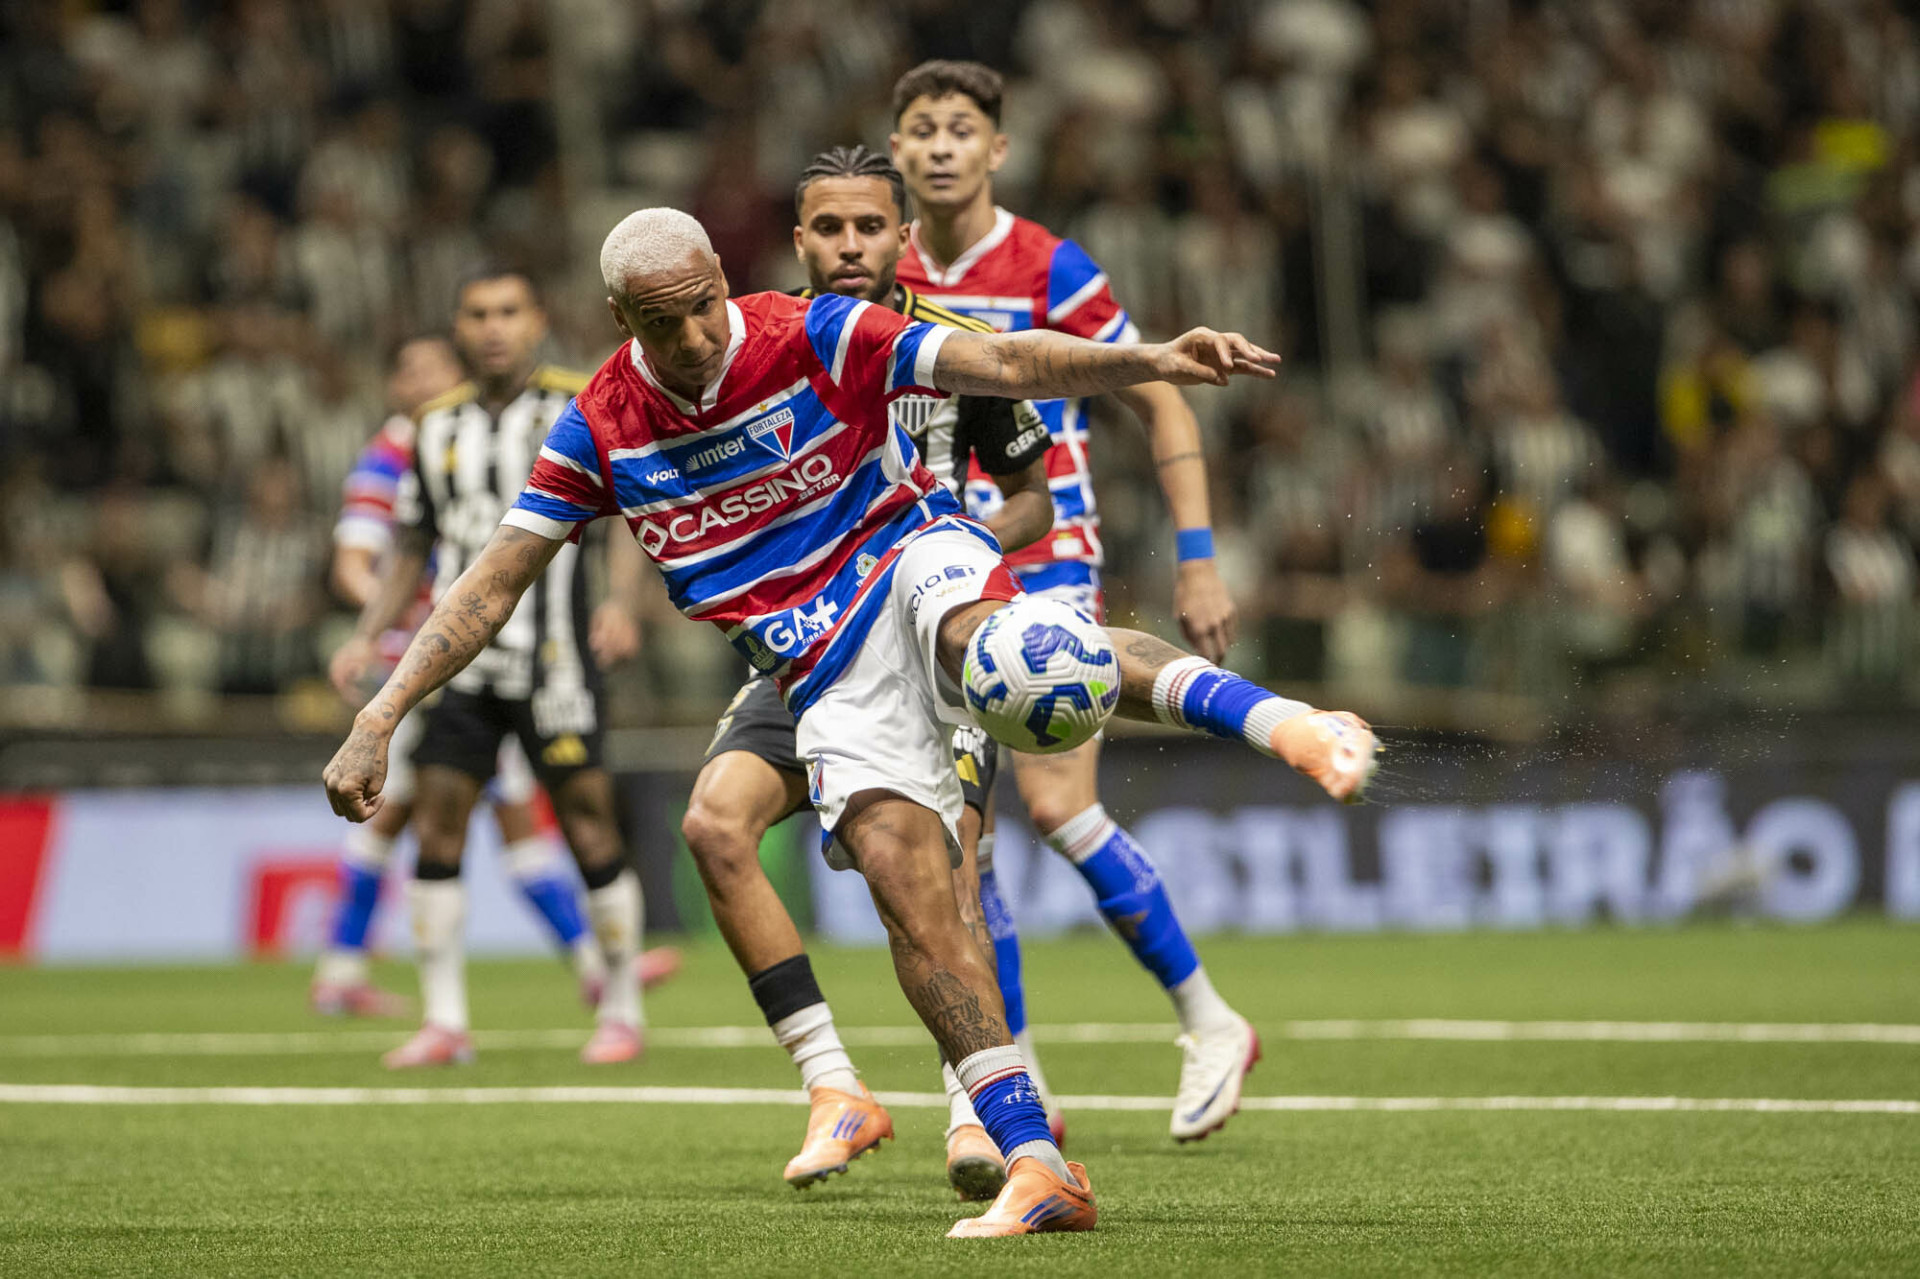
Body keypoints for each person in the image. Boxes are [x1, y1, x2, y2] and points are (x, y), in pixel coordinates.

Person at [322, 207, 1375, 1236]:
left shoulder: (812, 331)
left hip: (905, 562)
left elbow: (1003, 367)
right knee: (906, 892)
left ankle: (1286, 722)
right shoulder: (599, 423)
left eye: (701, 308)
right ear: (617, 317)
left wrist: (1143, 359)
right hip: (819, 670)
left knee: (1006, 644)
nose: (690, 339)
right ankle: (1038, 1162)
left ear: (723, 287)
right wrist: (380, 714)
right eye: (659, 322)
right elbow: (488, 584)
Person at [890, 59, 1256, 1141]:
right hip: (932, 577)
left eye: (962, 128)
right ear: (898, 150)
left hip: (1046, 552)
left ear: (998, 150)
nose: (942, 146)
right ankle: (1014, 1072)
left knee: (1054, 805)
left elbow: (1155, 392)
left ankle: (1209, 1017)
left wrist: (1196, 554)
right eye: (922, 129)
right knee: (969, 836)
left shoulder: (1049, 262)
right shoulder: (875, 266)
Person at [678, 145, 1053, 1199]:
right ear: (799, 239)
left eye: (869, 228)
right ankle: (834, 1086)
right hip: (810, 646)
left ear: (902, 236)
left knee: (949, 873)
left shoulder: (955, 347)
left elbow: (1034, 498)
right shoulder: (752, 351)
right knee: (715, 824)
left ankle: (974, 1111)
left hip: (927, 632)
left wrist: (964, 536)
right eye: (829, 229)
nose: (850, 246)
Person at [328, 267, 655, 1069]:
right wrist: (368, 634)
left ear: (537, 318)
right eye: (478, 314)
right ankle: (445, 1021)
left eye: (510, 310)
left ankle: (621, 1007)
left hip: (557, 660)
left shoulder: (580, 405)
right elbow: (409, 543)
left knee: (587, 825)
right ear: (460, 327)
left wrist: (620, 604)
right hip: (459, 666)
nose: (495, 327)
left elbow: (628, 516)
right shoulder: (432, 425)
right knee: (437, 824)